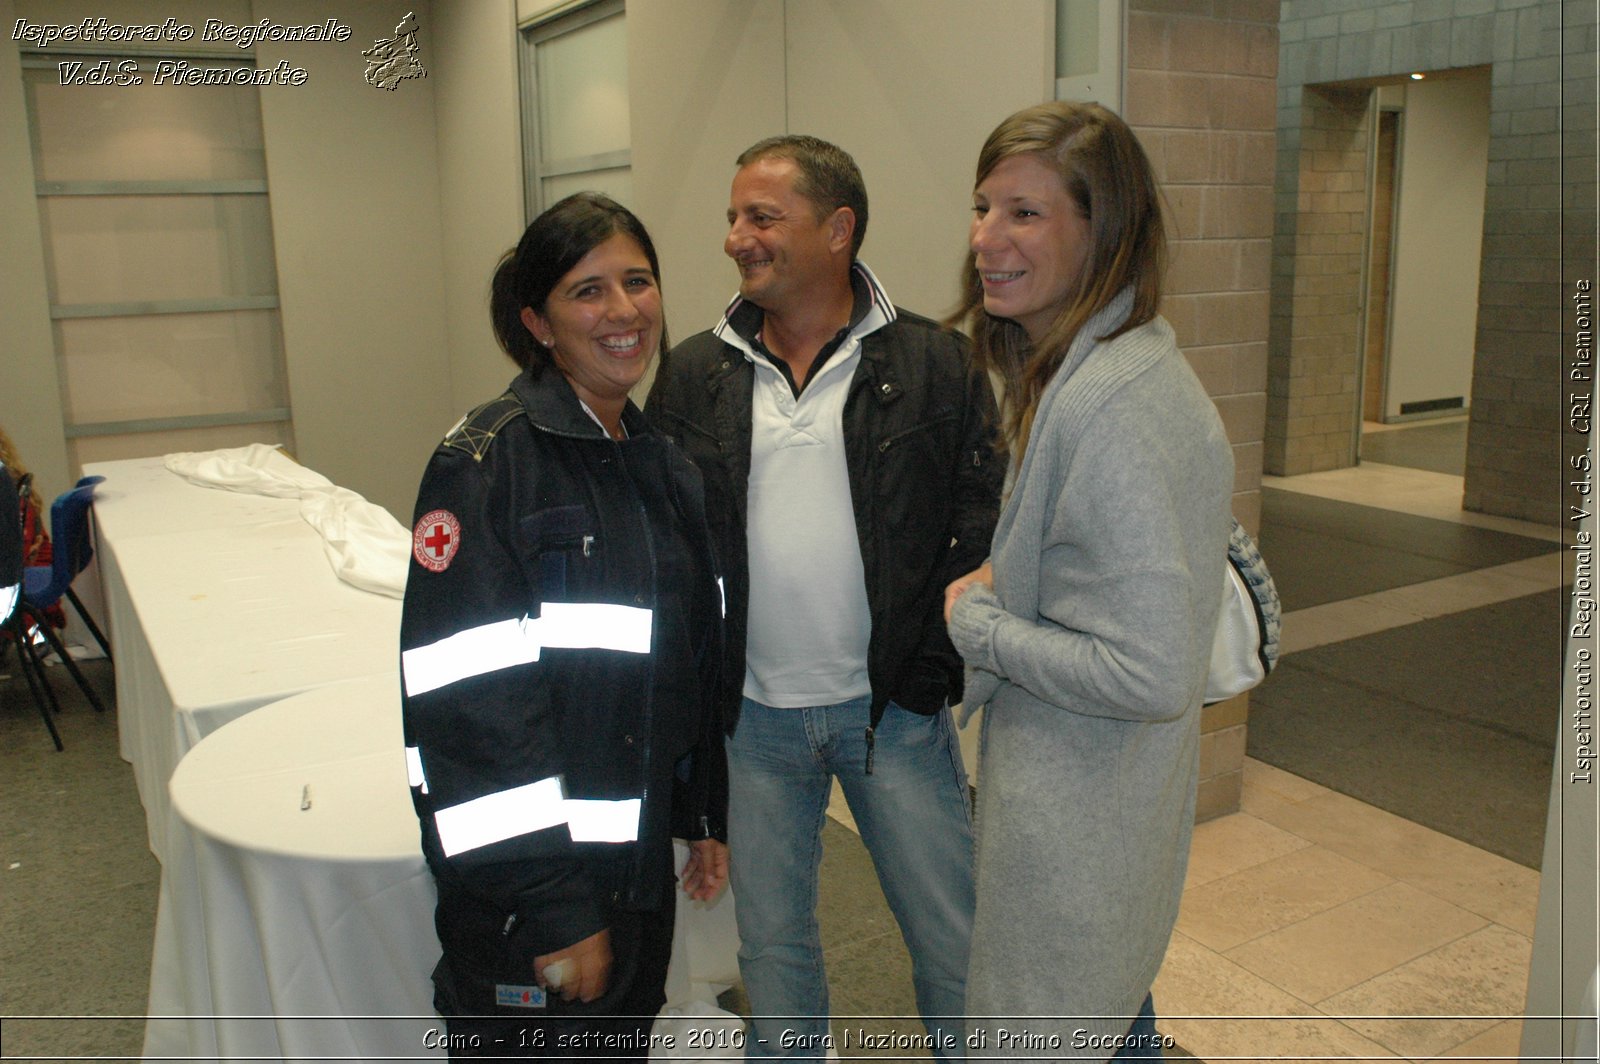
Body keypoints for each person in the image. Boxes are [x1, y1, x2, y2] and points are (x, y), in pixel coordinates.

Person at [647, 135, 1002, 1058]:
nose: (735, 237)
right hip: (753, 721)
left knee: (952, 941)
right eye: (733, 217)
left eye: (761, 217)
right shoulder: (695, 371)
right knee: (772, 950)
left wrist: (934, 661)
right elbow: (672, 546)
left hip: (892, 714)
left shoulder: (935, 363)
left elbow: (981, 515)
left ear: (838, 229)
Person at [400, 192, 730, 1061]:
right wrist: (551, 904)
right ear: (537, 322)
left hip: (631, 879)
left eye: (638, 281)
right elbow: (469, 707)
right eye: (588, 292)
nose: (624, 312)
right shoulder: (487, 465)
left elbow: (679, 664)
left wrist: (701, 813)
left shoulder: (659, 461)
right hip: (533, 897)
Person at [942, 101, 1234, 1059]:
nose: (987, 239)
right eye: (984, 208)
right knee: (1116, 1019)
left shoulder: (1105, 403)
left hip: (1080, 837)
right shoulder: (1113, 367)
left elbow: (1149, 673)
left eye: (1023, 213)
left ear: (1101, 231)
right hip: (1107, 825)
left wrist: (981, 625)